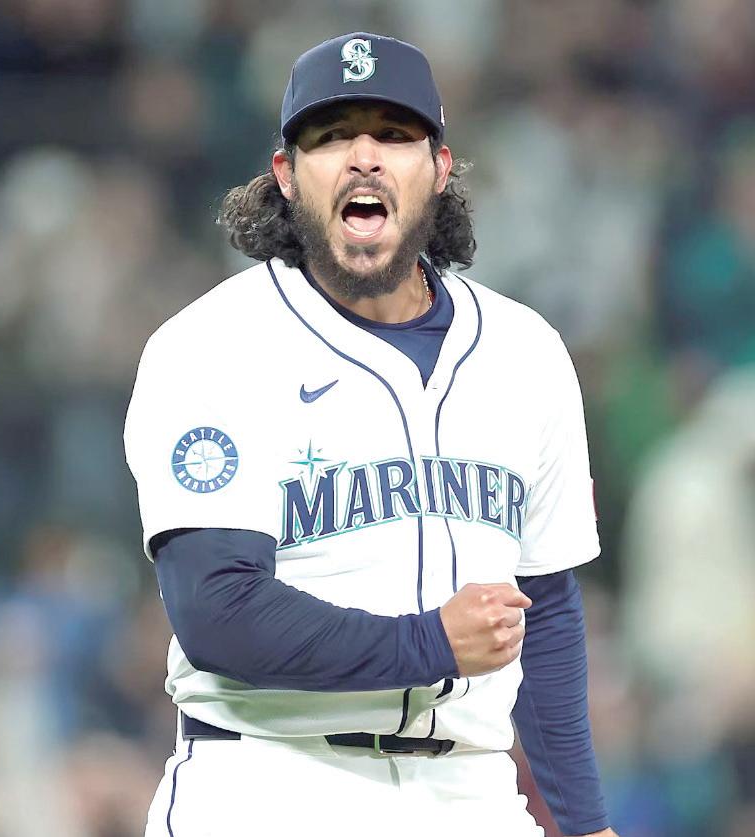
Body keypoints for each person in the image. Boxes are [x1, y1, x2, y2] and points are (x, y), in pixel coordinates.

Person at [124, 32, 619, 837]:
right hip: (269, 781)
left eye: (393, 134)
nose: (364, 157)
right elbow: (217, 609)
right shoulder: (213, 343)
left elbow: (547, 607)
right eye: (330, 136)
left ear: (440, 167)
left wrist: (588, 823)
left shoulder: (525, 350)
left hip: (472, 791)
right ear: (287, 175)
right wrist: (431, 642)